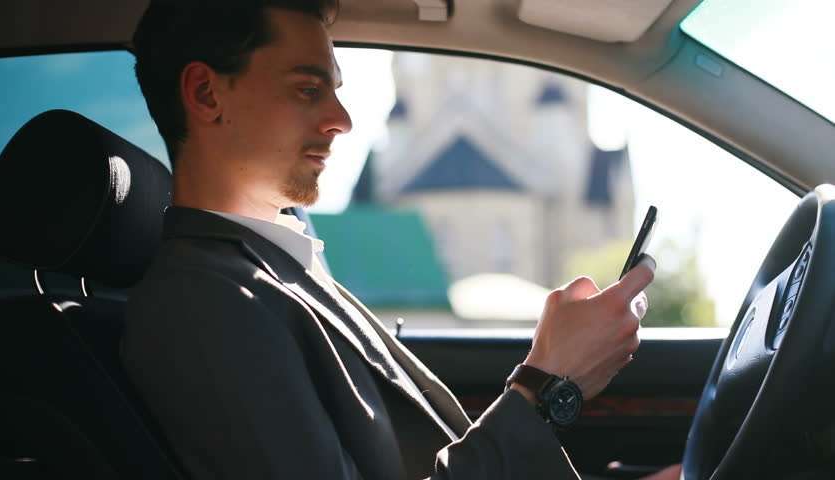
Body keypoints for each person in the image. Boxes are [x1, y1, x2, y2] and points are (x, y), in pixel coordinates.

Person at [121, 1, 680, 478]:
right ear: (206, 93)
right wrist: (545, 385)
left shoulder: (282, 269)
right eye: (307, 89)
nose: (342, 119)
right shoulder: (203, 305)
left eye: (333, 91)